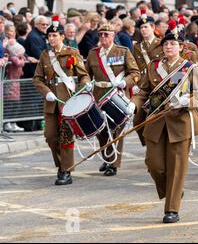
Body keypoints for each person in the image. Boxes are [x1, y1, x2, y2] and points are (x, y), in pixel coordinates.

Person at [132, 32, 198, 224]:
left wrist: (187, 101)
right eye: (166, 44)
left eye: (173, 44)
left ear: (180, 47)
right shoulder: (153, 67)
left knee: (176, 167)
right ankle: (174, 190)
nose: (169, 47)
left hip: (180, 123)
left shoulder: (190, 68)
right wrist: (134, 104)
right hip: (156, 121)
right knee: (154, 164)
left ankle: (172, 208)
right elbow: (144, 91)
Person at [33, 18, 91, 185]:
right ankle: (61, 165)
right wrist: (46, 92)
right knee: (50, 136)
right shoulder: (45, 55)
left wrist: (86, 85)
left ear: (62, 37)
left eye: (54, 36)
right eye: (49, 36)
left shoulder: (72, 52)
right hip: (52, 102)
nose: (51, 39)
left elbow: (83, 74)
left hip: (67, 100)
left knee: (66, 137)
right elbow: (37, 79)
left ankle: (65, 170)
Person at [85, 24, 140, 176]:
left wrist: (125, 82)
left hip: (118, 95)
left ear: (113, 36)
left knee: (116, 130)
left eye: (106, 35)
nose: (103, 37)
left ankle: (113, 163)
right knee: (101, 130)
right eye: (101, 34)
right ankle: (107, 158)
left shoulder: (123, 52)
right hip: (98, 96)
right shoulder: (92, 54)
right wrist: (86, 84)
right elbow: (86, 74)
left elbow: (135, 73)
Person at [132, 11, 163, 146]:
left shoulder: (161, 44)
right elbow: (135, 68)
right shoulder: (137, 47)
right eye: (141, 28)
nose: (143, 30)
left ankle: (155, 146)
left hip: (158, 85)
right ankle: (148, 144)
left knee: (156, 118)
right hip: (143, 87)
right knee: (137, 120)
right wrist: (134, 82)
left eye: (146, 27)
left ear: (153, 28)